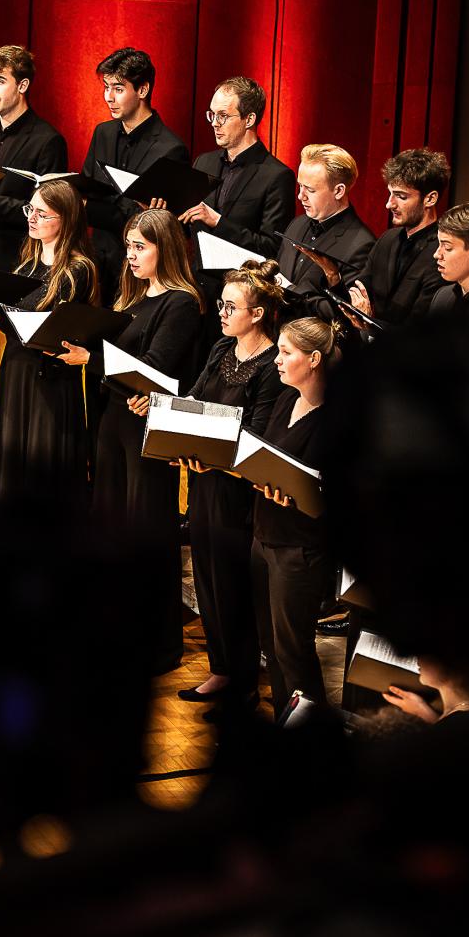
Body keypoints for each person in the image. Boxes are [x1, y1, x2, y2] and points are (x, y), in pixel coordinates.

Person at [172, 263, 286, 709]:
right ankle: (222, 669)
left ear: (257, 314)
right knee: (207, 576)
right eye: (221, 304)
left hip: (236, 490)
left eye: (231, 306)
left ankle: (241, 676)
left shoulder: (270, 367)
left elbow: (256, 436)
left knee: (233, 582)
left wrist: (209, 453)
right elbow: (197, 400)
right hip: (203, 479)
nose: (221, 312)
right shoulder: (222, 346)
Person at [96, 209, 204, 673]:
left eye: (141, 246)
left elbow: (159, 366)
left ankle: (156, 642)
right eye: (128, 246)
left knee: (146, 529)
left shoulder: (180, 302)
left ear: (166, 248)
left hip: (147, 427)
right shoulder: (131, 298)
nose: (131, 255)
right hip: (115, 421)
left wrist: (96, 358)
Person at [0, 179, 98, 508]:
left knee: (41, 473)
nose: (32, 217)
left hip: (50, 384)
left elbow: (48, 329)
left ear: (67, 219)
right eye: (31, 209)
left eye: (42, 213)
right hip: (16, 374)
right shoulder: (27, 262)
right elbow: (13, 311)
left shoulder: (76, 270)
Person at [0, 45, 67, 477]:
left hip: (19, 259)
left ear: (22, 86)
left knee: (19, 356)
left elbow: (50, 205)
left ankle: (19, 455)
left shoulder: (47, 139)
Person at [250, 317, 340, 717]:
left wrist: (297, 495)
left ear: (315, 358)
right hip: (265, 535)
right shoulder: (288, 397)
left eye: (286, 353)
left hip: (300, 549)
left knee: (294, 652)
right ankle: (286, 729)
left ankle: (313, 745)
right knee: (272, 646)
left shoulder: (337, 418)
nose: (277, 361)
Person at [80, 47, 190, 301]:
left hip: (136, 273)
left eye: (118, 89)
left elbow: (141, 220)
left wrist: (92, 207)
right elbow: (87, 189)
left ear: (142, 90)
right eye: (106, 87)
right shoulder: (103, 132)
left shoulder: (171, 148)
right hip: (95, 261)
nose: (108, 97)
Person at [179, 75, 295, 258]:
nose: (214, 123)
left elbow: (272, 248)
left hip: (241, 283)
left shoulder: (277, 176)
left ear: (249, 120)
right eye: (212, 114)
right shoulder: (203, 162)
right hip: (196, 280)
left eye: (223, 116)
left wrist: (218, 222)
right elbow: (186, 226)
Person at [346, 148, 450, 330]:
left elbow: (420, 329)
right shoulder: (388, 239)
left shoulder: (442, 253)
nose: (389, 204)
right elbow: (360, 289)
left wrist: (370, 322)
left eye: (401, 196)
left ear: (430, 198)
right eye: (390, 193)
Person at [277, 144, 375, 309]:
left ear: (338, 191)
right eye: (300, 186)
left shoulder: (362, 245)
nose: (300, 196)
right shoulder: (297, 223)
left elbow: (346, 315)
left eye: (310, 190)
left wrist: (290, 291)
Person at [382, 657, 469, 724]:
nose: (418, 658)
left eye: (428, 650)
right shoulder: (465, 714)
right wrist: (422, 711)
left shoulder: (465, 723)